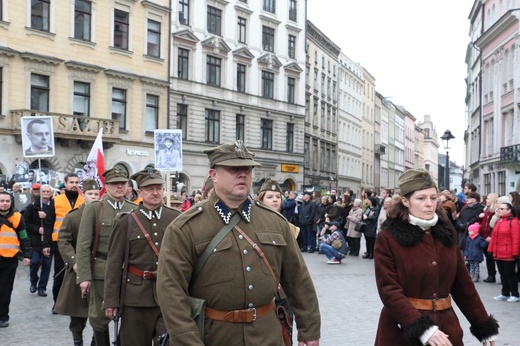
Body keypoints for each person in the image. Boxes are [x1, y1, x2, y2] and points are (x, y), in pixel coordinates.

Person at [157, 141, 321, 345]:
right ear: (213, 175)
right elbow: (170, 292)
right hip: (214, 337)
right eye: (234, 169)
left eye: (247, 169)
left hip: (267, 336)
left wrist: (310, 330)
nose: (242, 174)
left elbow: (298, 280)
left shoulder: (275, 222)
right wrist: (187, 341)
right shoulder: (185, 228)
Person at [374, 168, 499, 346]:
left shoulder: (445, 233)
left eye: (433, 198)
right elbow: (389, 290)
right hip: (402, 332)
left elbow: (463, 285)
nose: (429, 204)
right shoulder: (389, 238)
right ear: (405, 201)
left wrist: (483, 325)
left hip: (446, 328)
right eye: (421, 198)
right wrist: (423, 329)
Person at [103, 169, 181, 346]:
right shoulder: (126, 221)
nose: (155, 193)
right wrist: (111, 301)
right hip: (135, 299)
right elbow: (114, 263)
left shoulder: (176, 219)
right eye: (149, 188)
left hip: (168, 296)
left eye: (159, 188)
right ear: (139, 192)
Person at [76, 168, 137, 346]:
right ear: (107, 186)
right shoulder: (95, 208)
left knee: (128, 316)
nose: (119, 186)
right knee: (99, 318)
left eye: (123, 183)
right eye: (114, 183)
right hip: (101, 271)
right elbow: (83, 245)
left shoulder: (134, 209)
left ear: (128, 187)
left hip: (128, 272)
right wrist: (84, 277)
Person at [54, 179, 100, 346]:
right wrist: (73, 261)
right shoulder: (73, 216)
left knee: (99, 313)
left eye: (96, 194)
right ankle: (77, 341)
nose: (94, 197)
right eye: (90, 194)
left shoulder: (104, 215)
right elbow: (63, 240)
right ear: (83, 195)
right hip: (77, 270)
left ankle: (96, 341)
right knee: (77, 312)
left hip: (100, 270)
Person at [43, 173, 84, 311]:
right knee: (60, 274)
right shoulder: (56, 200)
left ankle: (75, 302)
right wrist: (46, 244)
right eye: (71, 182)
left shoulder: (84, 200)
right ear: (65, 184)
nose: (74, 184)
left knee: (78, 273)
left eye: (77, 182)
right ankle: (57, 302)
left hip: (79, 242)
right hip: (59, 243)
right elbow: (48, 223)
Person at [0, 191, 32, 328]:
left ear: (11, 202)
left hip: (9, 259)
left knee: (5, 289)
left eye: (7, 201)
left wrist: (27, 255)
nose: (4, 203)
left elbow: (23, 237)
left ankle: (3, 316)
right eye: (1, 201)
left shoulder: (18, 217)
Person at [23, 183, 53, 297]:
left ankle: (42, 288)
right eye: (43, 191)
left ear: (51, 193)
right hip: (35, 241)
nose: (45, 194)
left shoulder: (54, 206)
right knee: (34, 262)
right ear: (40, 193)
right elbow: (26, 223)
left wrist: (46, 217)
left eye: (47, 192)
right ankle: (33, 280)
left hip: (49, 241)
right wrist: (37, 229)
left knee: (47, 265)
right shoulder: (32, 207)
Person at [488, 202, 520, 303]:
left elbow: (516, 238)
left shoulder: (513, 222)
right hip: (498, 253)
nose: (499, 210)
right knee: (502, 274)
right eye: (499, 208)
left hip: (508, 253)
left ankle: (515, 294)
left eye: (502, 209)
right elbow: (494, 238)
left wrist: (515, 253)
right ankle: (505, 293)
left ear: (509, 210)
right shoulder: (499, 221)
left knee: (510, 274)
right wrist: (490, 249)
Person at [479, 193, 499, 283]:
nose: (486, 200)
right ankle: (490, 275)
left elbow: (494, 226)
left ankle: (492, 275)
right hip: (484, 236)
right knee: (488, 257)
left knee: (491, 257)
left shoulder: (495, 211)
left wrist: (491, 236)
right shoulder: (486, 210)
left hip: (490, 237)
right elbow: (482, 223)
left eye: (488, 199)